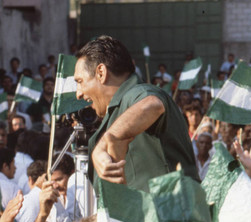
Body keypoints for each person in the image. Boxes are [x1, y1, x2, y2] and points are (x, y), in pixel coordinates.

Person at [74, 35, 198, 192]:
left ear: (101, 72)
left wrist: (104, 144)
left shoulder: (136, 92)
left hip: (167, 212)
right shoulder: (117, 109)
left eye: (80, 82)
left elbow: (153, 105)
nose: (78, 93)